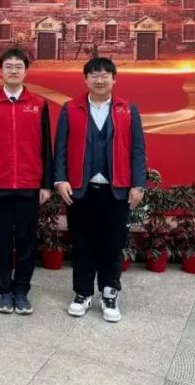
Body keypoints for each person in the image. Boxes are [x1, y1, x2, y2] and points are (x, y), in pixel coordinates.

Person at [53, 57, 146, 323]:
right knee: (81, 244)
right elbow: (60, 148)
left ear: (114, 79)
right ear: (85, 79)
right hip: (80, 190)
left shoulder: (127, 110)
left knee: (112, 244)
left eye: (105, 75)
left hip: (116, 190)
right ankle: (82, 293)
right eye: (94, 75)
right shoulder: (71, 109)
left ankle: (109, 293)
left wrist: (138, 184)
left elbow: (138, 150)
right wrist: (60, 180)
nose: (100, 79)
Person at [0, 48, 53, 315]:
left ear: (26, 71)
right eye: (8, 66)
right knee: (0, 242)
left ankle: (21, 291)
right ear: (0, 71)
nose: (14, 71)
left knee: (27, 241)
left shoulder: (39, 104)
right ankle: (5, 290)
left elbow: (46, 146)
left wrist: (46, 183)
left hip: (29, 185)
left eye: (19, 66)